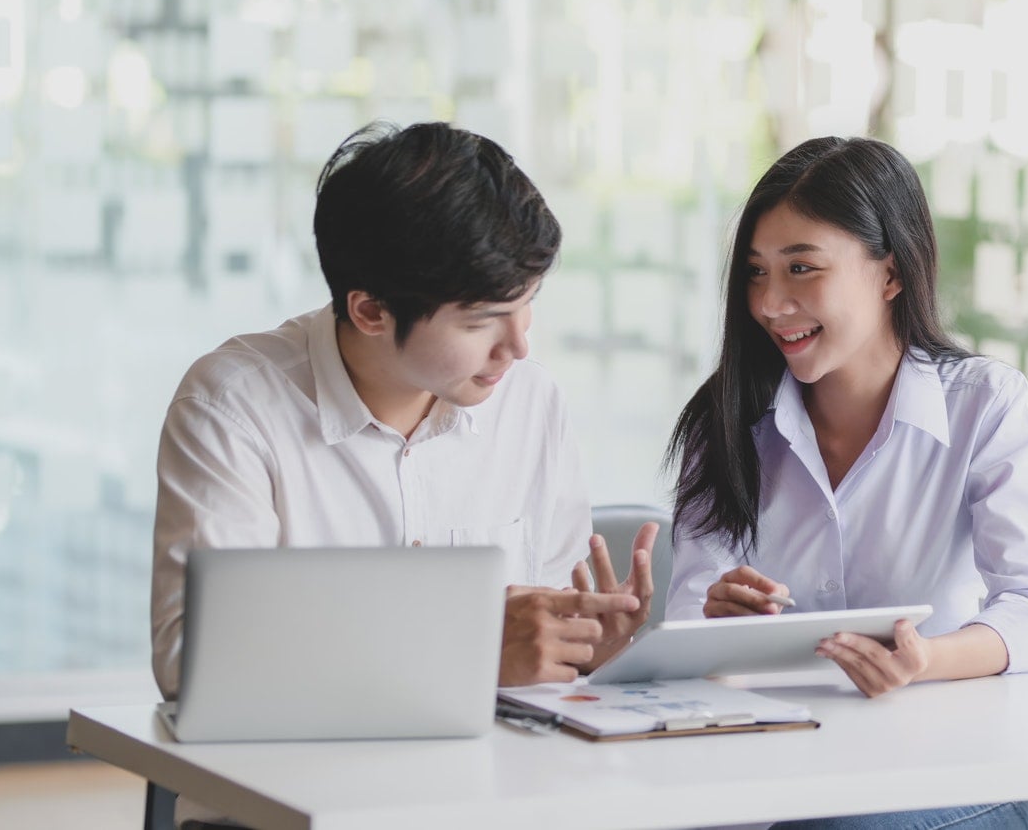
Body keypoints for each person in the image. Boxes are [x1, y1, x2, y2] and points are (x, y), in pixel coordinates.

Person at [151, 121, 656, 704]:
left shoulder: (530, 400)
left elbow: (542, 649)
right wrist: (467, 648)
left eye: (528, 304)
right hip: (296, 782)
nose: (518, 346)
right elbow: (193, 661)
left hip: (502, 776)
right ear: (370, 312)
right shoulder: (233, 408)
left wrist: (590, 643)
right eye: (480, 321)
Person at [664, 137, 1028, 830]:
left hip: (946, 765)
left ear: (891, 273)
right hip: (774, 763)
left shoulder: (984, 403)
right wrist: (715, 621)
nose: (770, 302)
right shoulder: (726, 416)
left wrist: (927, 659)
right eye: (757, 273)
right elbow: (688, 618)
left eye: (802, 268)